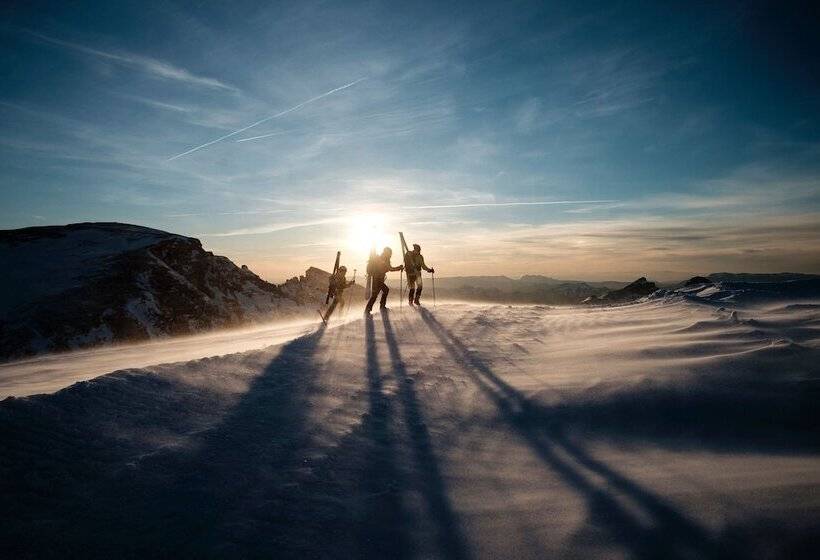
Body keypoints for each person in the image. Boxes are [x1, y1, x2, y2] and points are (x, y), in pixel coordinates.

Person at [364, 247, 403, 313]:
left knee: (377, 294)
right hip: (378, 279)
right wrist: (399, 268)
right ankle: (378, 307)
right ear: (387, 253)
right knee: (381, 292)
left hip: (377, 278)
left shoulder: (381, 258)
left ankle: (370, 309)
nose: (391, 255)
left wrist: (398, 268)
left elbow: (388, 268)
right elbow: (390, 269)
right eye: (390, 253)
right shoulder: (384, 259)